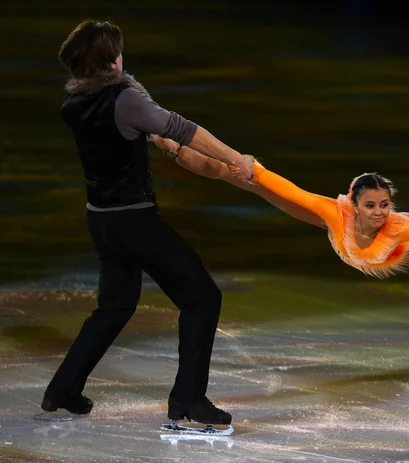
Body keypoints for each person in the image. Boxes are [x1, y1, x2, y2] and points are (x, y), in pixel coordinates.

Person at [41, 20, 253, 425]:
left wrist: (160, 140)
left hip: (100, 220)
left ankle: (63, 388)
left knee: (115, 305)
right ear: (113, 60)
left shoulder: (74, 106)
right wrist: (236, 158)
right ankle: (189, 400)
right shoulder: (125, 99)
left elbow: (138, 134)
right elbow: (183, 129)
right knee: (202, 297)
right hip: (134, 222)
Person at [153, 138, 409, 315]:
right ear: (354, 204)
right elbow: (290, 190)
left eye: (385, 204)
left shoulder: (396, 231)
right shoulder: (337, 214)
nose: (380, 212)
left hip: (397, 255)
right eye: (371, 205)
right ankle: (173, 147)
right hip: (343, 237)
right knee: (246, 180)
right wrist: (254, 169)